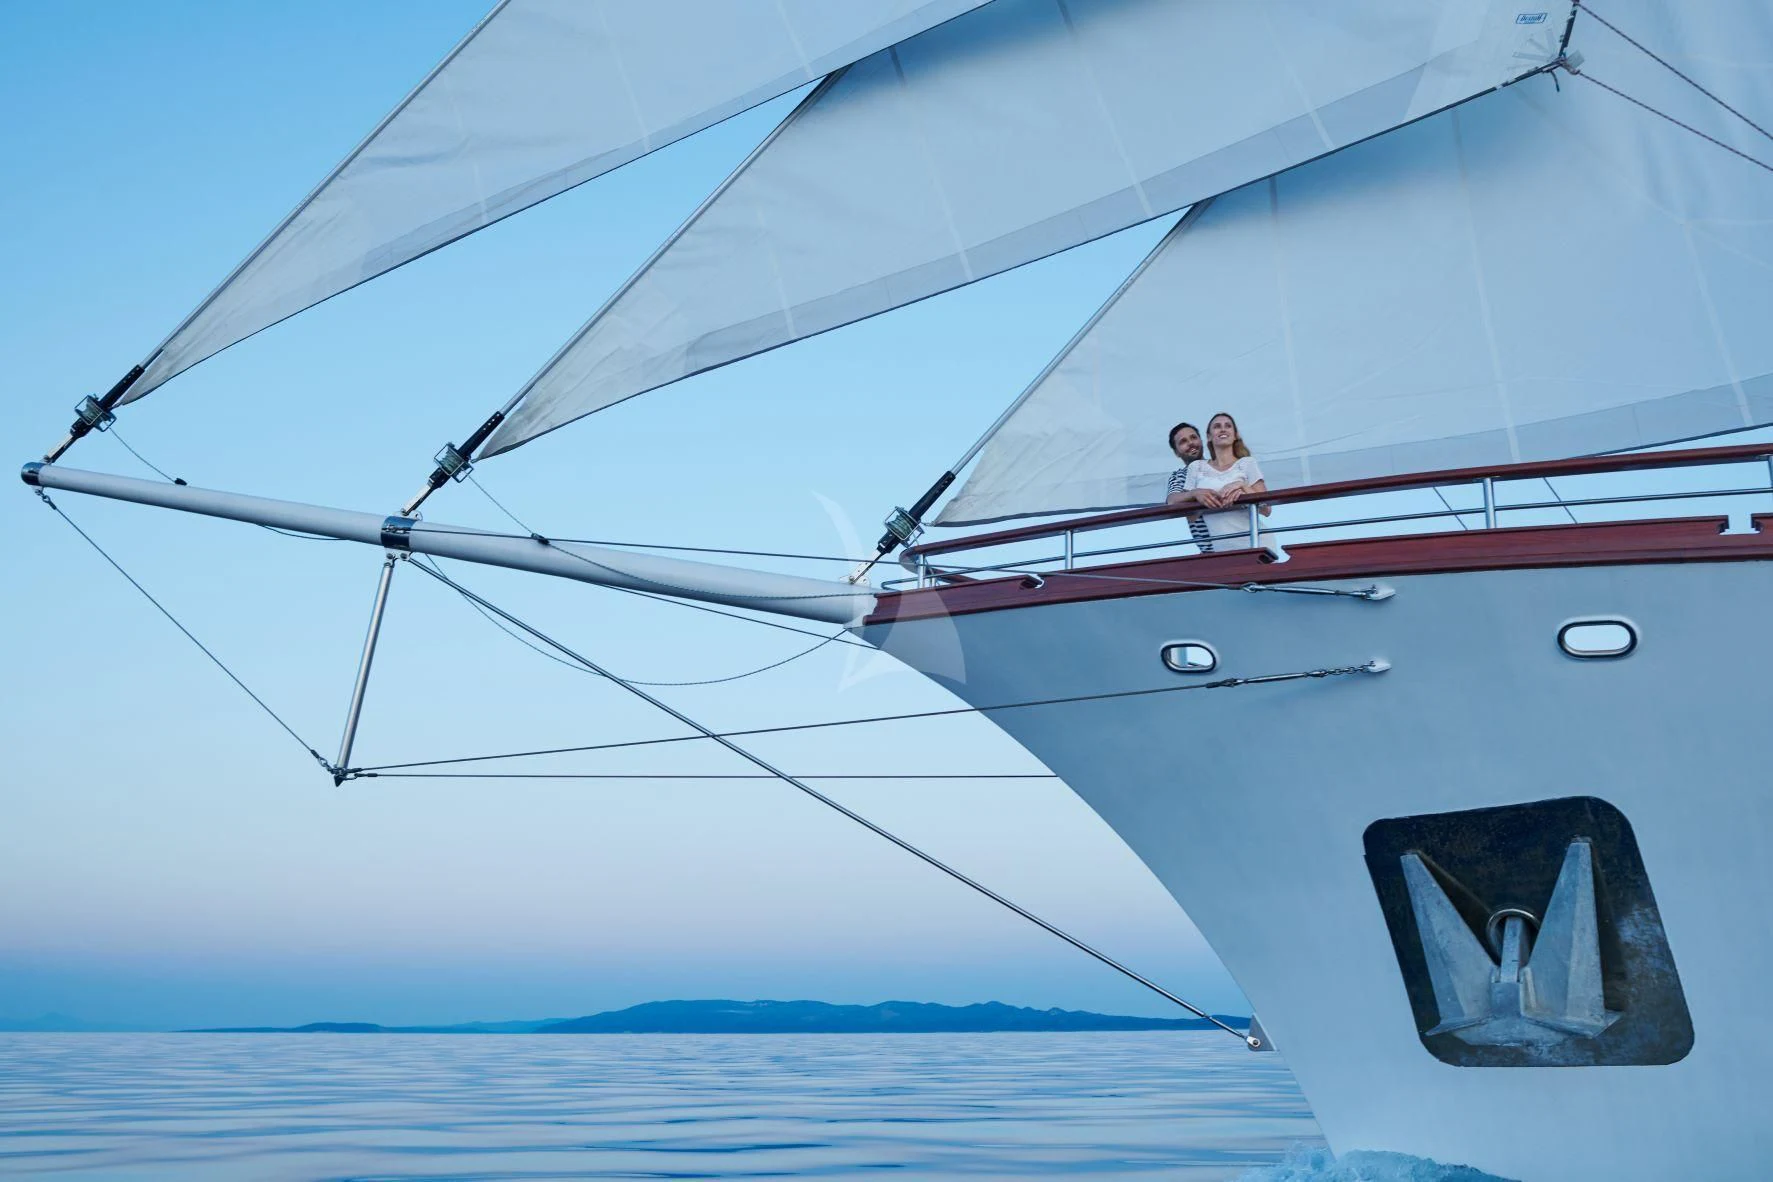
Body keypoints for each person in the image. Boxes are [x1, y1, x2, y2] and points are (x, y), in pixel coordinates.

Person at [1183, 412, 1270, 550]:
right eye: (1217, 426)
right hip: (1221, 548)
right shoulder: (1196, 467)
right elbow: (1191, 517)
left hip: (1256, 542)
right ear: (1209, 437)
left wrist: (1242, 486)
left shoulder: (1247, 463)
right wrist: (1195, 493)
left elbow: (1266, 509)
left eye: (1228, 426)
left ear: (1235, 435)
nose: (1223, 429)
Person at [1163, 422, 1215, 551]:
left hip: (1241, 540)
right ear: (1176, 452)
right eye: (1183, 441)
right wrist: (1195, 493)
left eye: (1193, 437)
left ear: (1201, 441)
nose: (1190, 443)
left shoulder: (1220, 465)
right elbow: (1172, 500)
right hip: (1211, 554)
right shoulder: (1179, 476)